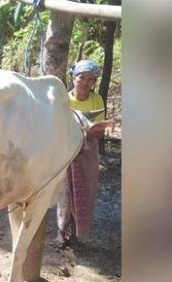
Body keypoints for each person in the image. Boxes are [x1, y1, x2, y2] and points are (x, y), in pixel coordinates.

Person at [57, 59, 107, 247]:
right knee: (65, 191)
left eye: (90, 79)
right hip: (67, 148)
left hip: (88, 149)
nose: (85, 82)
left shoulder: (96, 100)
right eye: (81, 77)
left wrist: (86, 131)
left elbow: (100, 130)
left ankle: (80, 233)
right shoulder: (65, 99)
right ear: (73, 78)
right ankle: (62, 232)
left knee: (88, 188)